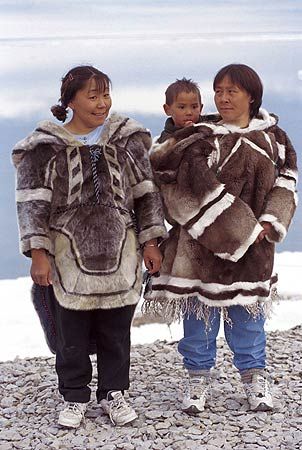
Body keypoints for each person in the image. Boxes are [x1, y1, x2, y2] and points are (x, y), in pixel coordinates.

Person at [12, 65, 166, 428]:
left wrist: (151, 240)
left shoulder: (126, 140)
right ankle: (74, 395)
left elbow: (146, 194)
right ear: (70, 101)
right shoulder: (44, 147)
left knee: (117, 330)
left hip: (122, 252)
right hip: (67, 256)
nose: (101, 103)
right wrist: (38, 253)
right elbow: (33, 203)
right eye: (92, 96)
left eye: (105, 95)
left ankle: (114, 393)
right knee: (71, 333)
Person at [144, 64, 298, 414]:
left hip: (256, 248)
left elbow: (286, 183)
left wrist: (267, 225)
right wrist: (240, 230)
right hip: (198, 248)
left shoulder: (275, 138)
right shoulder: (201, 136)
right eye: (218, 91)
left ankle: (255, 378)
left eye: (232, 91)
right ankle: (197, 379)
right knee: (199, 320)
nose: (223, 98)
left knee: (249, 318)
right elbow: (183, 190)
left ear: (252, 95)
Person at [156, 77, 204, 143]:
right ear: (167, 110)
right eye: (182, 107)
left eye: (194, 107)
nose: (189, 112)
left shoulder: (209, 129)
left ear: (201, 108)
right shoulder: (165, 139)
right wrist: (185, 133)